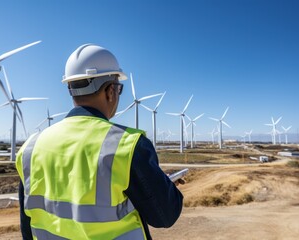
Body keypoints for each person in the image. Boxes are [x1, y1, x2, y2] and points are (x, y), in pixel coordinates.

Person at [15, 43, 183, 240]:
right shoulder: (127, 145)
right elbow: (165, 216)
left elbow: (27, 226)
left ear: (70, 88)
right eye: (119, 90)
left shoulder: (31, 148)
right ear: (111, 90)